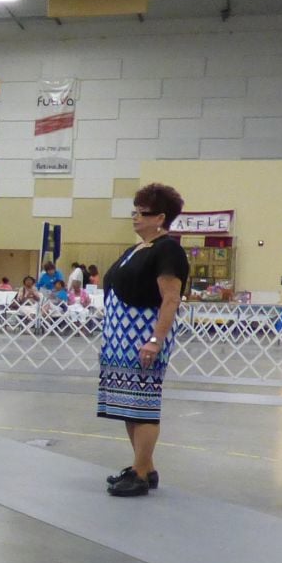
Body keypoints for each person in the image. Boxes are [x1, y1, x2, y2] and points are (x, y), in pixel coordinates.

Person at [99, 182, 190, 498]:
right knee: (130, 406)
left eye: (142, 213)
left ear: (160, 217)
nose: (135, 217)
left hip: (142, 338)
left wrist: (155, 339)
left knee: (144, 406)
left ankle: (140, 473)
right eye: (134, 211)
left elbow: (170, 298)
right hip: (120, 340)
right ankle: (144, 466)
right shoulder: (136, 249)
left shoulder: (168, 250)